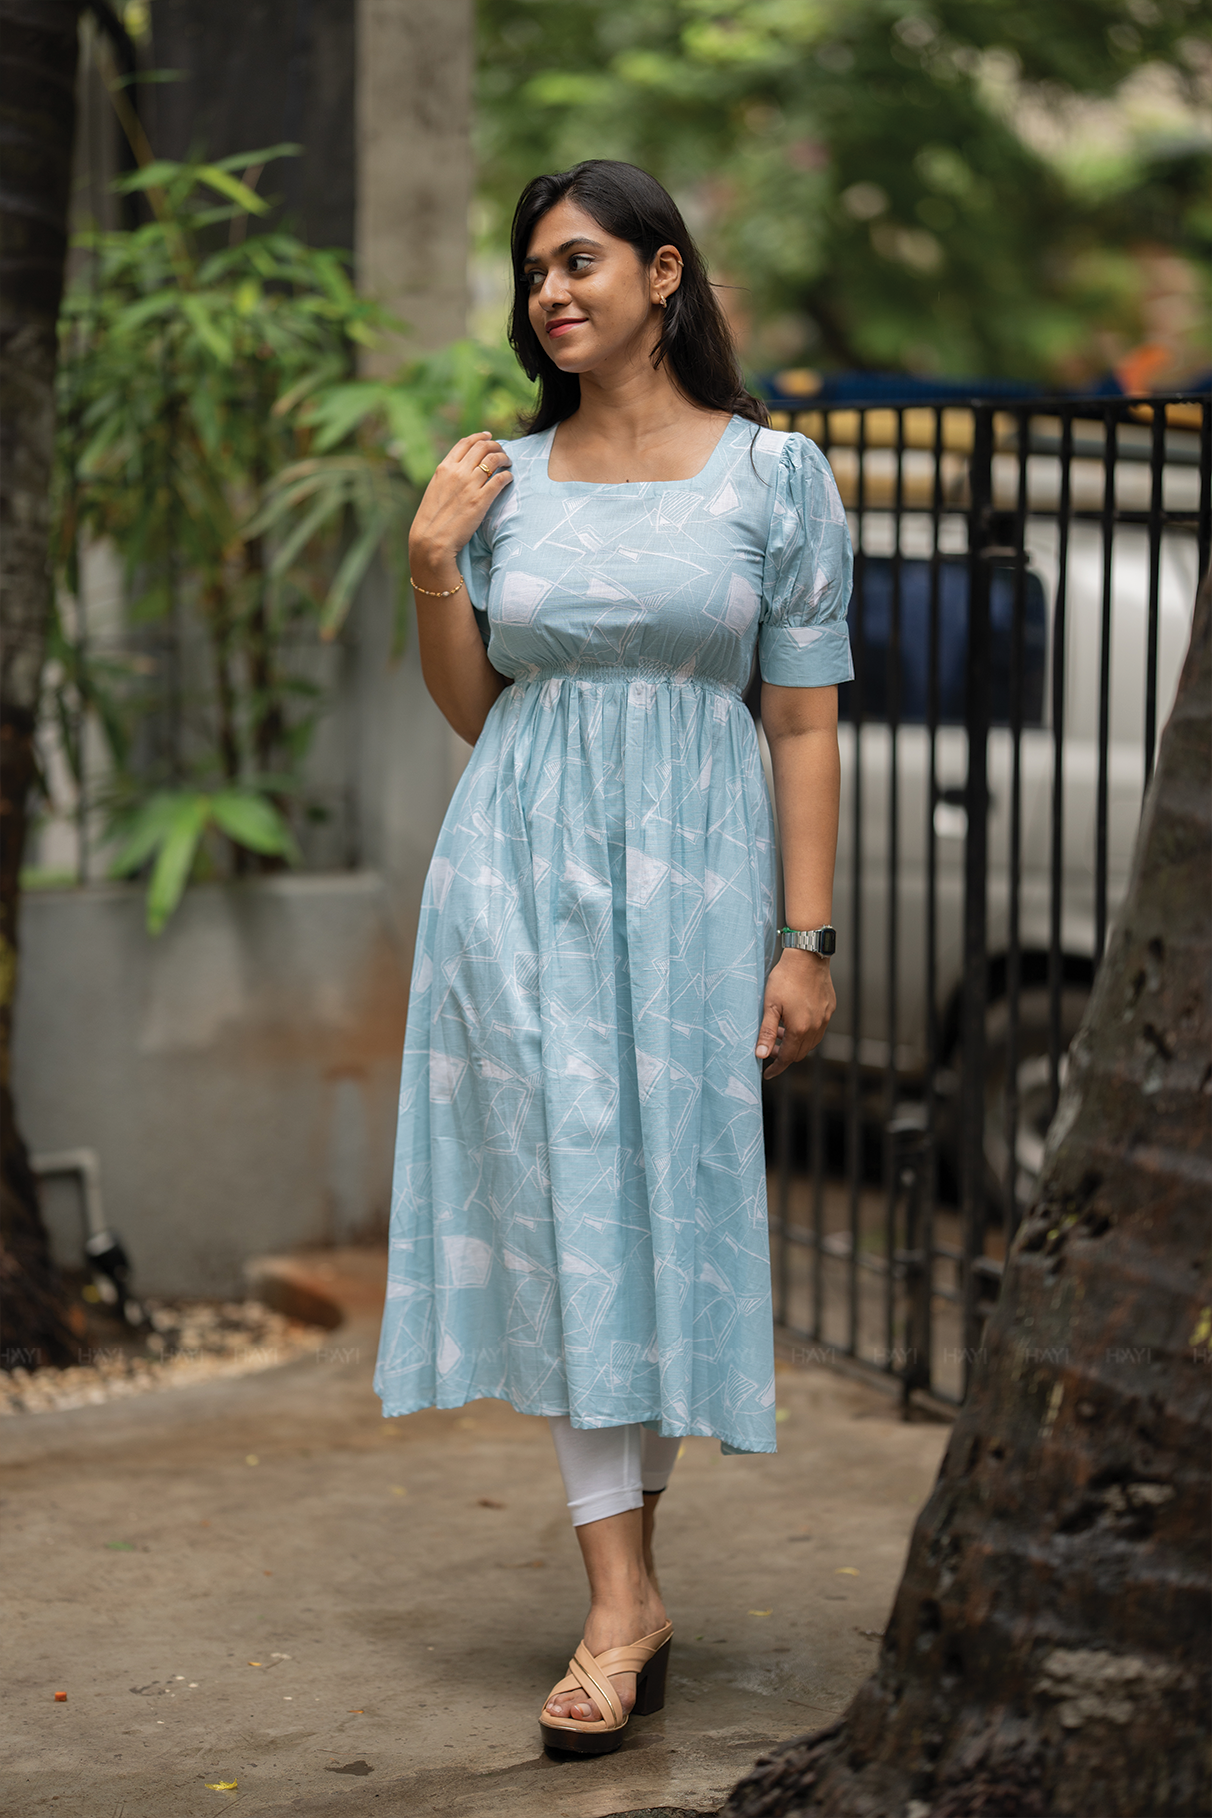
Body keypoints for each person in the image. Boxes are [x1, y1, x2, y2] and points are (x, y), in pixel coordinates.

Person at [373, 159, 852, 1755]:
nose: (551, 295)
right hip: (518, 876)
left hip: (700, 891)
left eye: (580, 264)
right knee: (575, 1203)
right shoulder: (503, 477)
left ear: (664, 274)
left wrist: (804, 938)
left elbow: (799, 719)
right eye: (532, 277)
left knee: (658, 1206)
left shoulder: (775, 480)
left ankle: (631, 1585)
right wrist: (435, 558)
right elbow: (476, 707)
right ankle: (619, 1600)